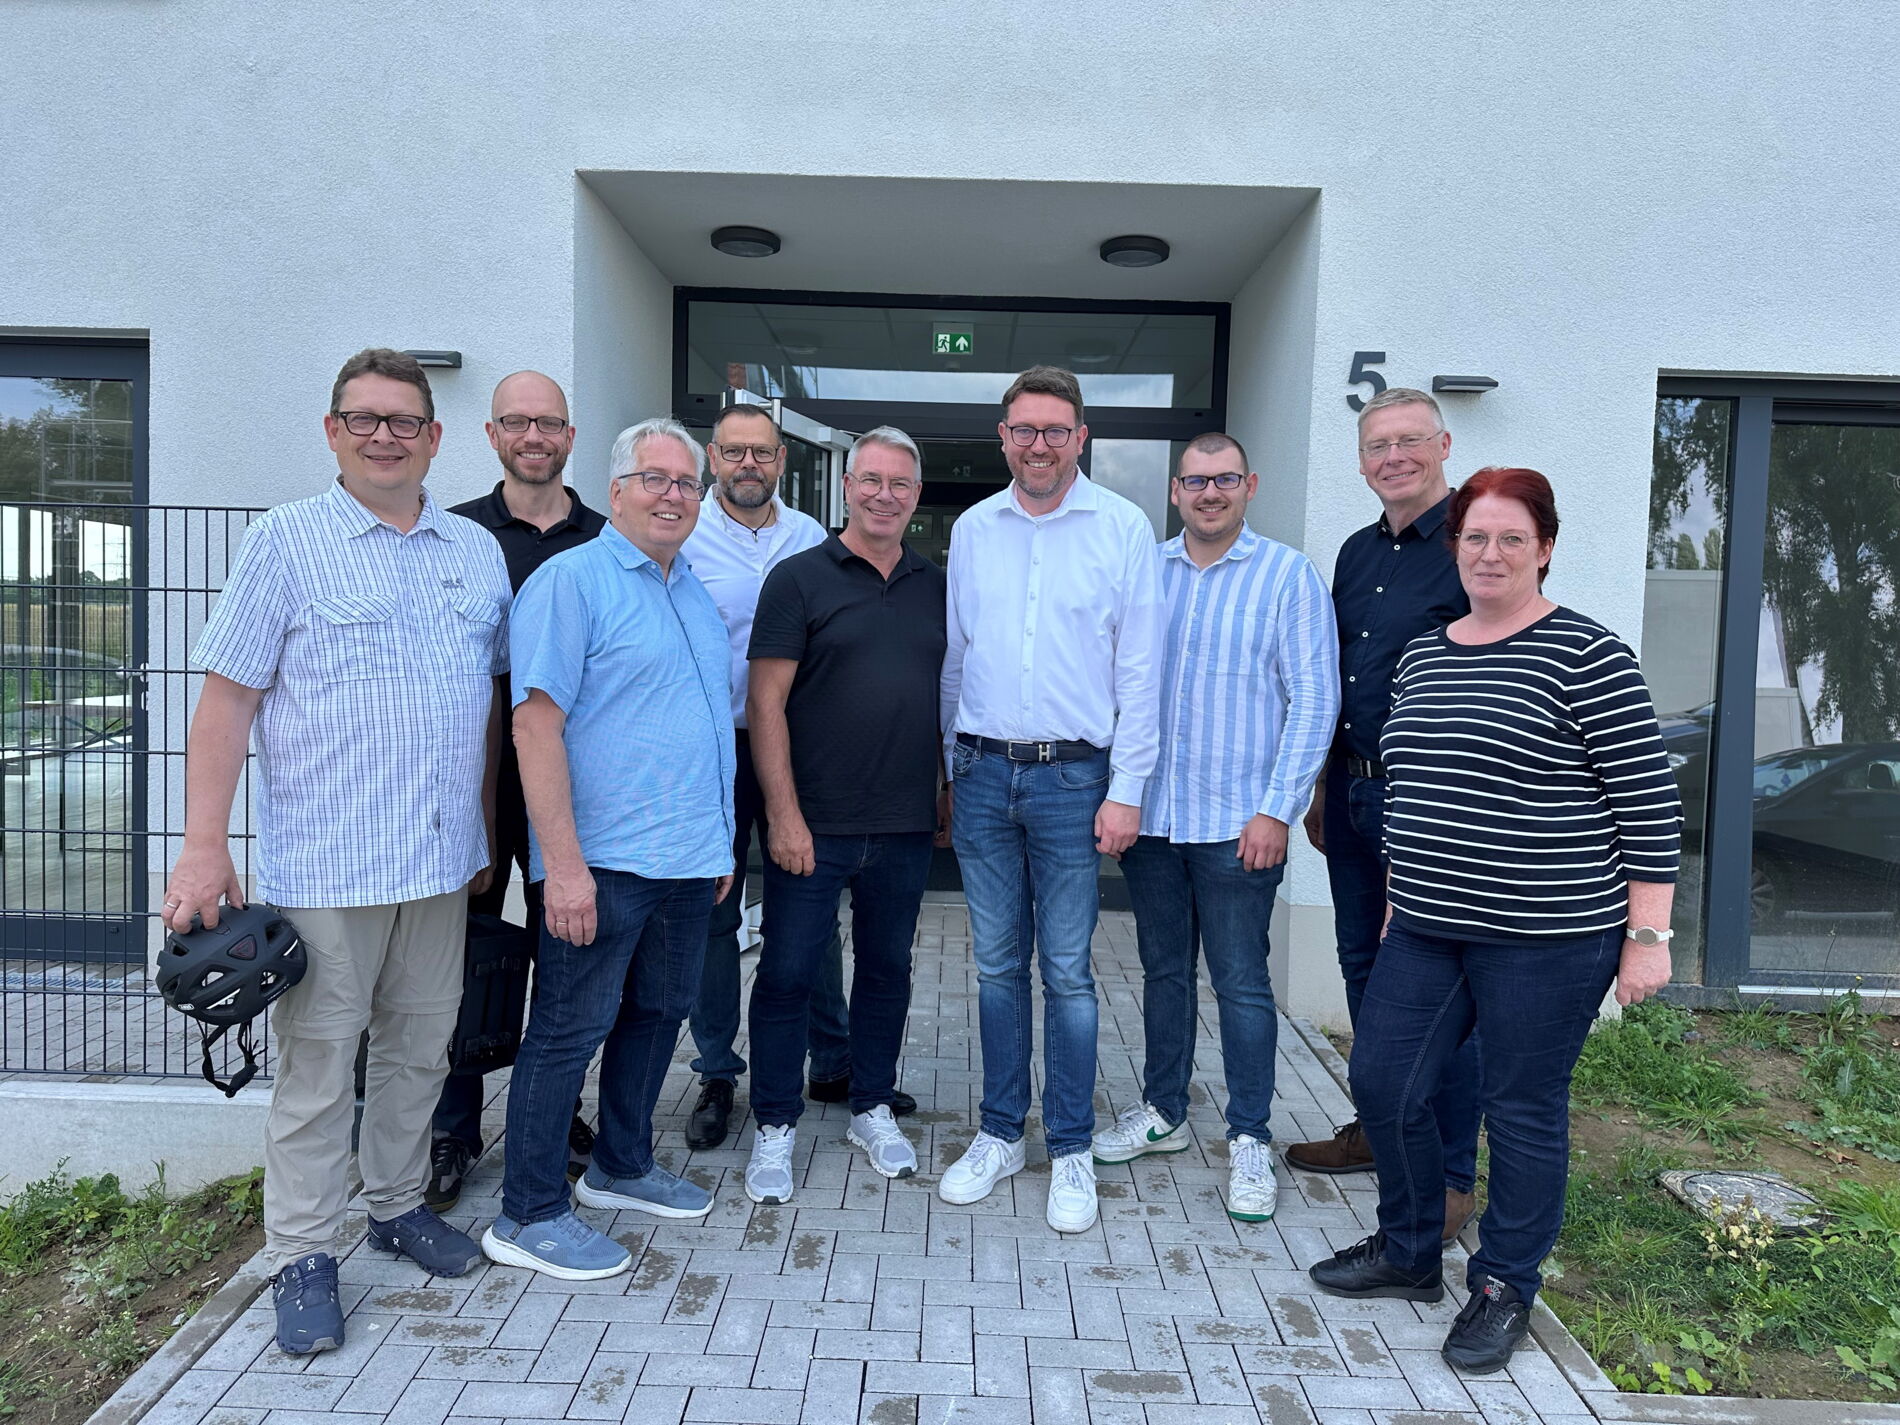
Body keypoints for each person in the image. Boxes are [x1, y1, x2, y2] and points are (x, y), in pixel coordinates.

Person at [161, 348, 511, 1354]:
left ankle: (395, 1204)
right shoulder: (286, 542)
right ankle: (303, 1252)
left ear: (434, 438)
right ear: (333, 431)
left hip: (438, 863)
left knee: (420, 1047)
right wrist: (202, 847)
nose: (385, 436)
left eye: (404, 421)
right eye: (365, 418)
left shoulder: (473, 552)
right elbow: (227, 700)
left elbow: (485, 705)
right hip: (328, 865)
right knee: (318, 1068)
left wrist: (483, 828)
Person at [1307, 467, 1680, 1374]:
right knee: (1384, 1079)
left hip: (1548, 936)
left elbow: (1648, 801)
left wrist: (1647, 936)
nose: (1491, 552)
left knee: (1520, 1108)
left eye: (1513, 537)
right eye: (1476, 536)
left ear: (1544, 548)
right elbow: (1413, 788)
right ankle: (1408, 1249)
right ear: (1455, 546)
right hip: (1427, 924)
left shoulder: (1587, 655)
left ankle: (1505, 1281)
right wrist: (1398, 901)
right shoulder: (1426, 655)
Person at [480, 418, 735, 1281]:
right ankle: (528, 1211)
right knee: (567, 1030)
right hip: (604, 862)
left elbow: (702, 722)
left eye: (687, 483)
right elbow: (534, 726)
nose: (673, 495)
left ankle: (621, 1164)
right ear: (616, 489)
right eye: (655, 478)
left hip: (687, 860)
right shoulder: (570, 583)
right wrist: (563, 866)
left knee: (660, 1013)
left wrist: (718, 840)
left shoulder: (689, 587)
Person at [937, 365, 1163, 1234]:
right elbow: (957, 655)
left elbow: (1140, 673)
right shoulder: (973, 529)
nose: (1039, 445)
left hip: (1076, 779)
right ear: (1003, 438)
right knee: (996, 965)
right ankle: (1001, 1132)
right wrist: (949, 766)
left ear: (1081, 438)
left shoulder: (1123, 527)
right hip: (983, 771)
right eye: (1024, 430)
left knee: (1067, 970)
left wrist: (1127, 790)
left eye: (1055, 430)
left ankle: (1069, 1145)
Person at [1091, 435, 1337, 1223]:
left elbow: (1315, 699)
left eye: (1224, 478)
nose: (1209, 492)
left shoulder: (1287, 576)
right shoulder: (1146, 572)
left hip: (1240, 826)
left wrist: (1277, 808)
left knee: (1241, 982)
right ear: (1175, 490)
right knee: (1163, 972)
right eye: (1196, 481)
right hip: (1155, 819)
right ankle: (1163, 1110)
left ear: (1249, 484)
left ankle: (1250, 1135)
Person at [1290, 387, 1482, 1246]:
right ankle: (1381, 1127)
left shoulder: (1472, 546)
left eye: (1409, 440)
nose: (1393, 456)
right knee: (1365, 969)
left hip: (1430, 803)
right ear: (1362, 461)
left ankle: (1450, 1176)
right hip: (1353, 792)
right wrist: (1323, 786)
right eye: (1377, 444)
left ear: (1443, 444)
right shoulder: (1356, 552)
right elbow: (1344, 683)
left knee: (1442, 991)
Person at [741, 427, 947, 1203]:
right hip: (814, 822)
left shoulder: (936, 584)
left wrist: (944, 788)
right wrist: (783, 815)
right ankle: (774, 1123)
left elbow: (950, 694)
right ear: (848, 486)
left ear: (916, 496)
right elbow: (765, 703)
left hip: (902, 823)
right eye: (872, 480)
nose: (885, 495)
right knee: (787, 973)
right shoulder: (797, 579)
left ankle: (870, 1106)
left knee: (887, 971)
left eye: (900, 483)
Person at [427, 370, 605, 1212]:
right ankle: (450, 1128)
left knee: (563, 957)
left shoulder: (604, 540)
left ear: (570, 436)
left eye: (549, 423)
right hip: (472, 781)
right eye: (518, 422)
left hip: (571, 785)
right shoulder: (455, 536)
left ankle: (553, 1112)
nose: (534, 436)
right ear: (493, 434)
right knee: (458, 959)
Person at [679, 402, 862, 1151]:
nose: (748, 464)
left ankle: (834, 1058)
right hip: (711, 751)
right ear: (712, 459)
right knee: (714, 915)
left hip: (796, 748)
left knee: (810, 905)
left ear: (783, 459)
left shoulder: (811, 537)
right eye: (734, 452)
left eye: (761, 452)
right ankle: (718, 1072)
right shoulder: (681, 534)